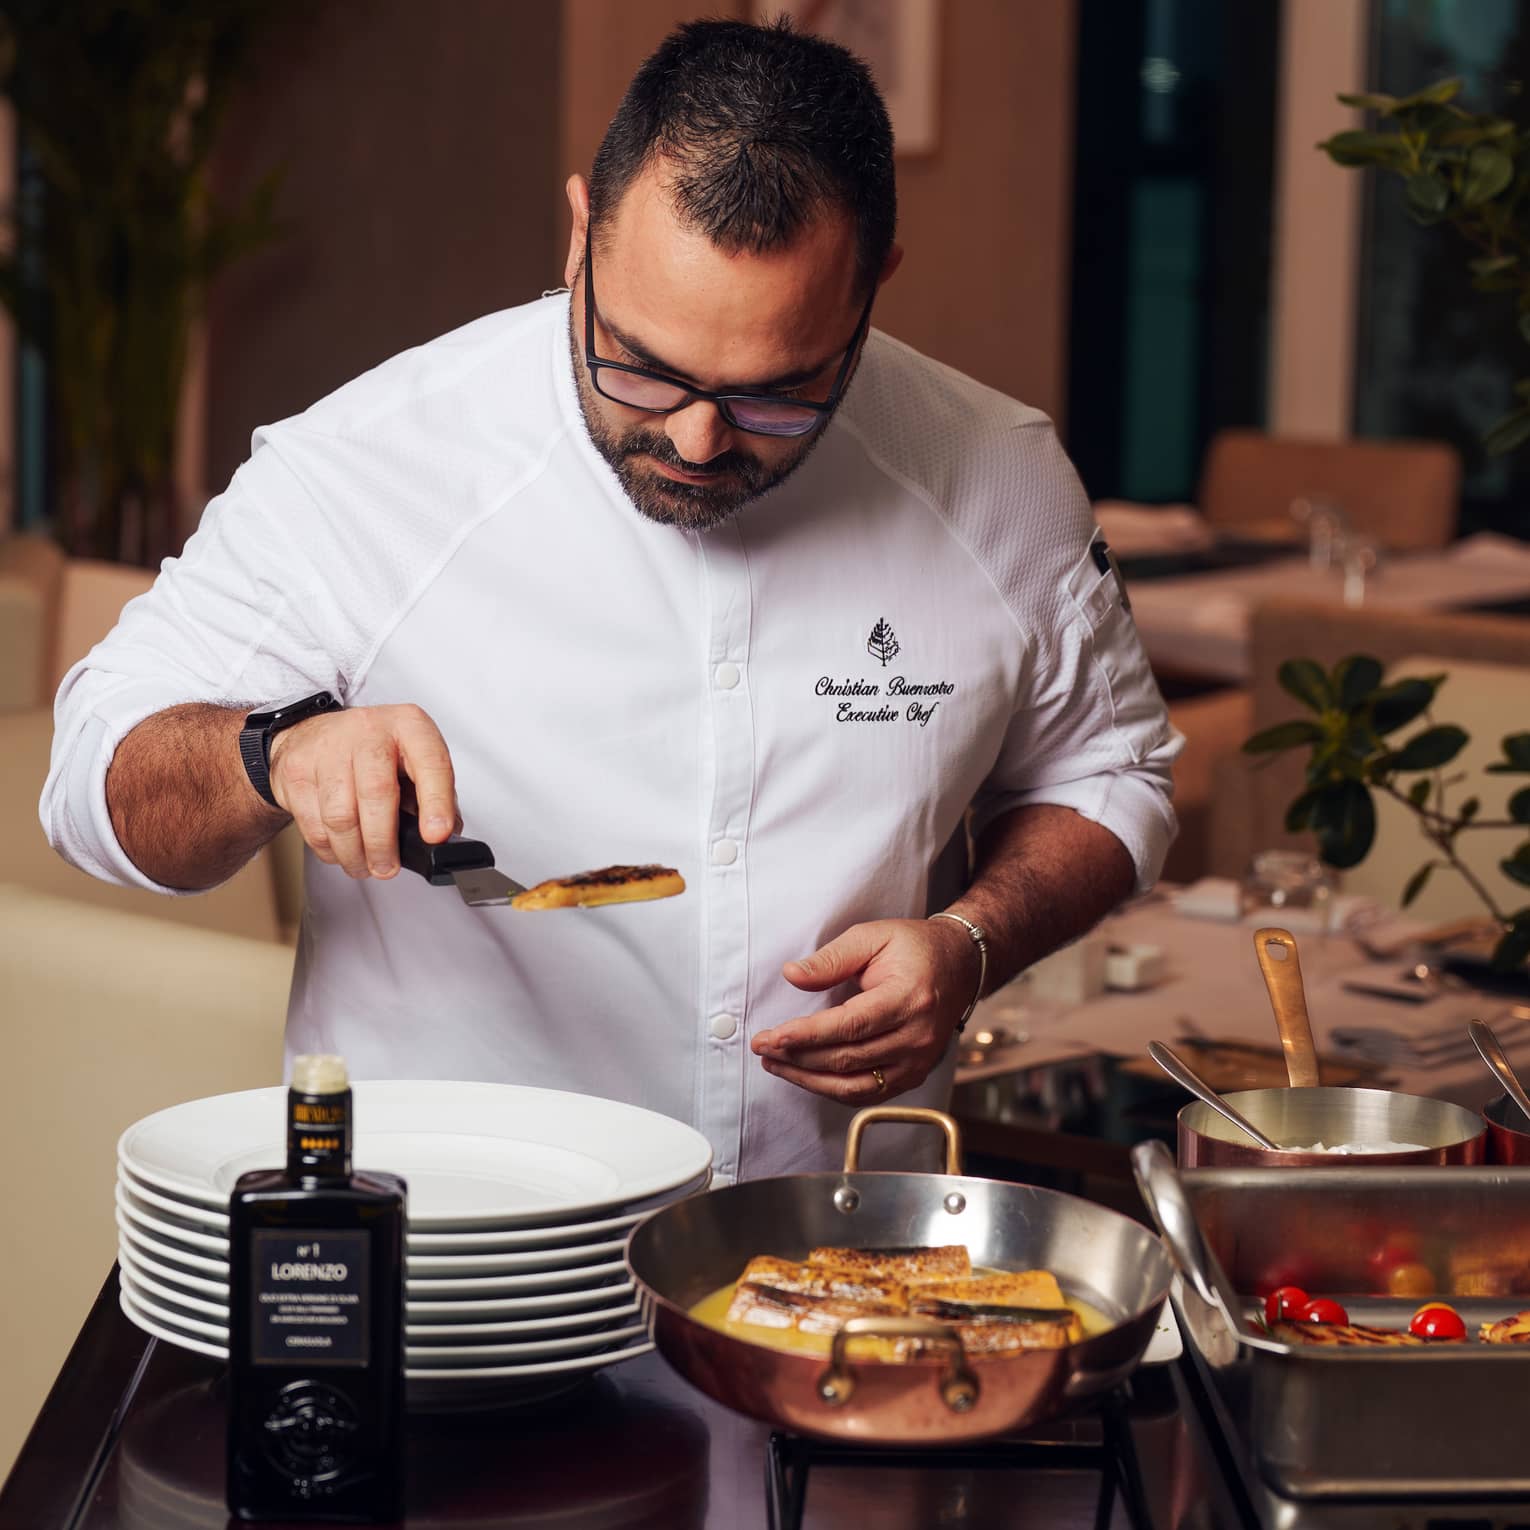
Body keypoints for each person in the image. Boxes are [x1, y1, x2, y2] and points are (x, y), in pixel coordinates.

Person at [41, 18, 1179, 1180]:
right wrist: (267, 755)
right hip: (449, 1263)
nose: (695, 437)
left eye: (777, 393)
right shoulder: (364, 464)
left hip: (823, 1263)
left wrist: (971, 941)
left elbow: (1111, 773)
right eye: (639, 364)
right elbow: (92, 783)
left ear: (873, 288)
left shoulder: (1001, 478)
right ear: (582, 232)